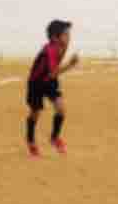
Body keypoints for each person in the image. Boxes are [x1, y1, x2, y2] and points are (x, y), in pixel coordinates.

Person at [26, 20, 79, 157]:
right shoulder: (48, 50)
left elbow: (54, 70)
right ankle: (31, 140)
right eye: (66, 34)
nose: (69, 37)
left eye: (69, 34)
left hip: (50, 81)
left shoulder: (63, 45)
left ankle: (54, 138)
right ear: (55, 38)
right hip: (36, 83)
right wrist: (70, 65)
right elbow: (53, 72)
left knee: (61, 109)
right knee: (35, 113)